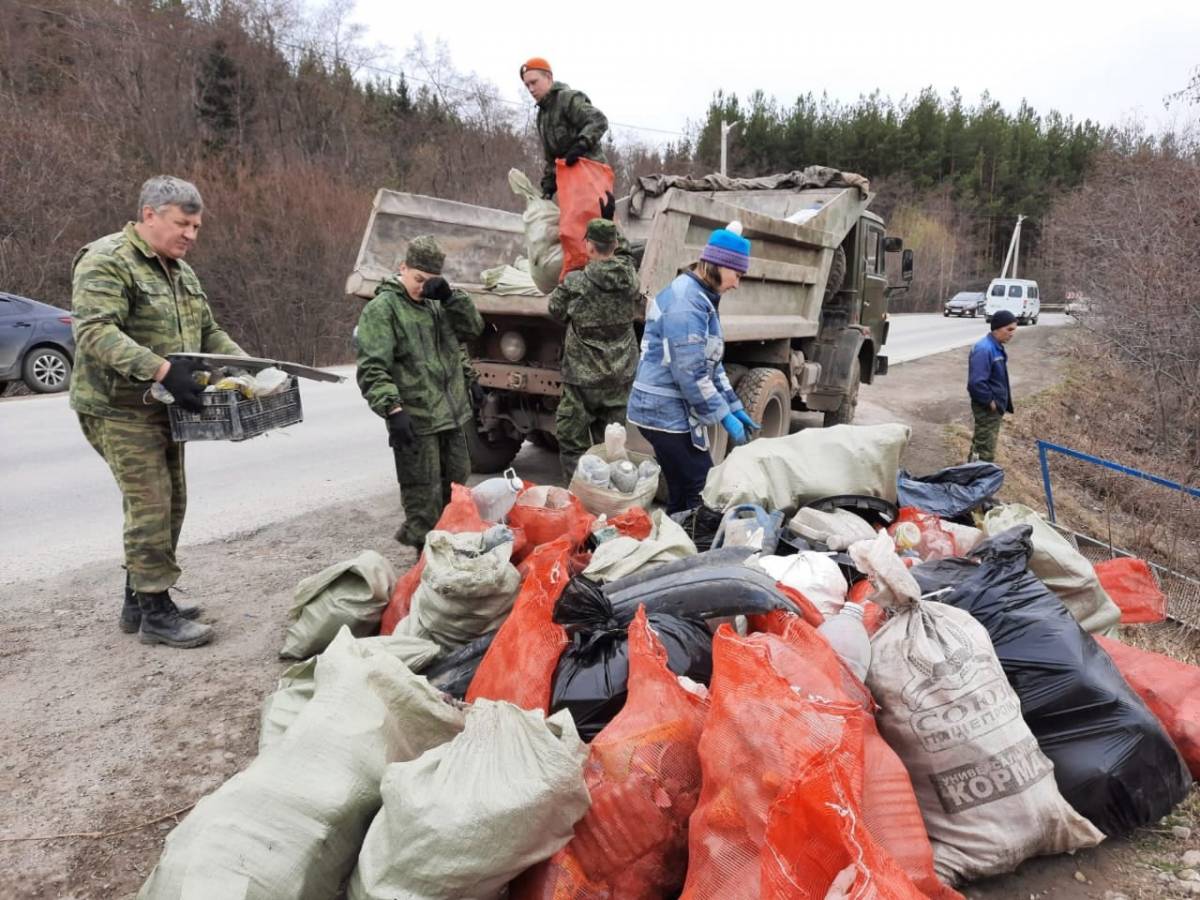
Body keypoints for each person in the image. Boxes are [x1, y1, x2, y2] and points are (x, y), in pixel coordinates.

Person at [71, 175, 245, 649]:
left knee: (172, 502)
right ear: (149, 215)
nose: (190, 234)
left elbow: (209, 333)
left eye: (196, 227)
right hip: (118, 408)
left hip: (165, 410)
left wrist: (246, 368)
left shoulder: (181, 272)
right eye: (182, 224)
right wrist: (162, 369)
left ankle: (138, 601)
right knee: (150, 505)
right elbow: (94, 333)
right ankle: (155, 613)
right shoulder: (108, 260)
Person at [356, 235, 484, 549]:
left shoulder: (437, 304)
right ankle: (423, 560)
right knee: (422, 497)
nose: (421, 286)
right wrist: (393, 410)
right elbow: (372, 368)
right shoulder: (383, 309)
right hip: (418, 419)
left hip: (451, 416)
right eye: (417, 278)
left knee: (455, 485)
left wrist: (451, 298)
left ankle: (445, 548)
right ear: (402, 268)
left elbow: (465, 336)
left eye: (429, 280)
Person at [627, 223, 761, 513]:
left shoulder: (701, 298)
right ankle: (696, 552)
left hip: (664, 412)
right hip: (663, 413)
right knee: (702, 491)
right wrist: (724, 417)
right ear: (718, 264)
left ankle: (675, 543)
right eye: (737, 274)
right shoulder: (687, 303)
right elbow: (690, 373)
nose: (737, 283)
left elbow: (711, 364)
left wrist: (734, 406)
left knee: (682, 490)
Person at [547, 200, 641, 482]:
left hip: (582, 380)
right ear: (613, 245)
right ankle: (608, 496)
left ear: (588, 246)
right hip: (619, 375)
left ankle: (580, 493)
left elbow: (555, 310)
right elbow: (622, 253)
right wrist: (610, 218)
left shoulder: (576, 283)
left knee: (573, 439)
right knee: (611, 444)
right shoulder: (630, 279)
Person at [519, 57, 609, 200]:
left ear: (548, 78)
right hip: (570, 183)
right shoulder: (542, 116)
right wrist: (548, 186)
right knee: (571, 222)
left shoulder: (567, 99)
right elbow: (551, 159)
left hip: (592, 176)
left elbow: (598, 120)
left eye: (534, 82)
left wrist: (581, 145)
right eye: (527, 85)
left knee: (596, 222)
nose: (530, 89)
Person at [967, 309, 1017, 462]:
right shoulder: (985, 349)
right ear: (997, 328)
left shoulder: (995, 346)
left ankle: (972, 475)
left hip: (993, 407)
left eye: (1014, 330)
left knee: (982, 444)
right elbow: (976, 383)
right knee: (984, 450)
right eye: (1009, 329)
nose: (1012, 333)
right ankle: (978, 479)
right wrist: (990, 402)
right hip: (987, 408)